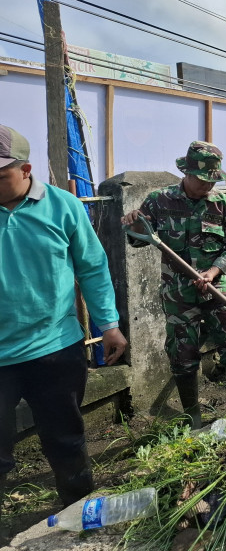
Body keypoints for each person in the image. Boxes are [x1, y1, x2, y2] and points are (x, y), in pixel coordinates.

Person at [0, 125, 127, 512]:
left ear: (26, 170)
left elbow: (92, 268)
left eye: (0, 175)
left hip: (54, 348)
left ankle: (78, 513)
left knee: (65, 439)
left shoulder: (63, 206)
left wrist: (109, 324)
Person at [121, 142, 226, 429]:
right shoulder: (158, 201)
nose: (207, 186)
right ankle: (194, 416)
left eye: (211, 181)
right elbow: (138, 238)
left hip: (217, 286)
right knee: (182, 352)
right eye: (202, 180)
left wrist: (213, 271)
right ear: (186, 173)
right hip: (178, 290)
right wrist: (135, 225)